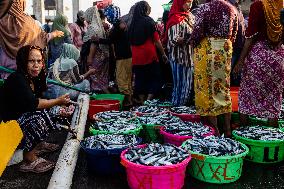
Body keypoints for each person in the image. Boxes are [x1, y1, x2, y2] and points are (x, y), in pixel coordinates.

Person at [1, 45, 71, 173]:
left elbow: (41, 102)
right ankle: (29, 158)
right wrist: (58, 101)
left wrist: (59, 107)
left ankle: (37, 145)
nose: (36, 65)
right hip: (6, 129)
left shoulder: (35, 78)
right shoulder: (17, 79)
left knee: (52, 113)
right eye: (31, 61)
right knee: (37, 118)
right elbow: (35, 104)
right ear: (23, 62)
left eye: (39, 61)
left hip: (18, 122)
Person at [191, 0, 238, 137]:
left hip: (208, 50)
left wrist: (191, 41)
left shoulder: (204, 8)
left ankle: (215, 131)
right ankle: (228, 129)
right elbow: (234, 34)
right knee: (222, 89)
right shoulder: (231, 8)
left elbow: (197, 33)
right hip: (224, 49)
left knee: (208, 92)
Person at [233, 0, 284, 127]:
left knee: (246, 94)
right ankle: (273, 137)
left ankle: (245, 131)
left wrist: (240, 61)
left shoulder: (257, 5)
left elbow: (250, 37)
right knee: (273, 98)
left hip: (258, 56)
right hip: (278, 57)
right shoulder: (281, 4)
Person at [0, 0, 64, 79]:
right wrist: (54, 34)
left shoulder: (2, 21)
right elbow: (40, 38)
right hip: (25, 74)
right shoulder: (27, 21)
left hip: (5, 72)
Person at [129, 1, 168, 103]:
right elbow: (156, 40)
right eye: (148, 8)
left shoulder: (132, 23)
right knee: (154, 77)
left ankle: (142, 100)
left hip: (136, 56)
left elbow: (130, 43)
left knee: (140, 78)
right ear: (145, 9)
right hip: (149, 54)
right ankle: (148, 99)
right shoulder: (149, 21)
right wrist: (163, 54)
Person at [166, 0, 195, 106]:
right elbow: (173, 40)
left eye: (191, 2)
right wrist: (189, 38)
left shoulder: (191, 16)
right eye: (187, 2)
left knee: (187, 86)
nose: (190, 5)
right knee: (179, 86)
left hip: (190, 57)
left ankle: (183, 108)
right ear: (180, 3)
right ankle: (177, 108)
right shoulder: (175, 18)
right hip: (179, 58)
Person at [82, 6, 110, 93]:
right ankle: (105, 97)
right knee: (101, 77)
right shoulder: (99, 26)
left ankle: (107, 96)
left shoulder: (92, 27)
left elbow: (93, 43)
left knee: (95, 76)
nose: (85, 18)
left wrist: (90, 57)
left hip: (95, 55)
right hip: (102, 55)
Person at [110, 19, 133, 106]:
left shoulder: (121, 33)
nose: (125, 24)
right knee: (126, 79)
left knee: (122, 79)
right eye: (122, 23)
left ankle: (128, 100)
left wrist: (98, 40)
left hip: (123, 59)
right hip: (127, 58)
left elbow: (109, 41)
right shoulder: (119, 33)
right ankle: (129, 100)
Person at [228, 0, 245, 86]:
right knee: (228, 75)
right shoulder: (229, 5)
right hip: (232, 48)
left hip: (239, 47)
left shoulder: (237, 6)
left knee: (236, 77)